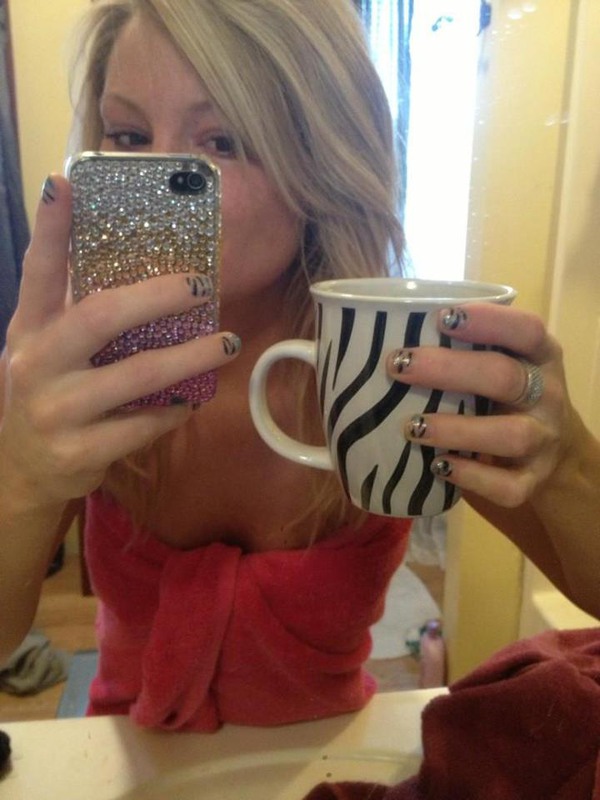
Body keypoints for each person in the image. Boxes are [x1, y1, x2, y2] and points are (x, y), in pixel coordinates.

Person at [0, 0, 597, 732]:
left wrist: (566, 461)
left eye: (224, 139)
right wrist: (19, 478)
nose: (160, 177)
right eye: (127, 135)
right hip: (121, 760)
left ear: (321, 161)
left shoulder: (393, 360)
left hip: (327, 763)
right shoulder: (80, 366)